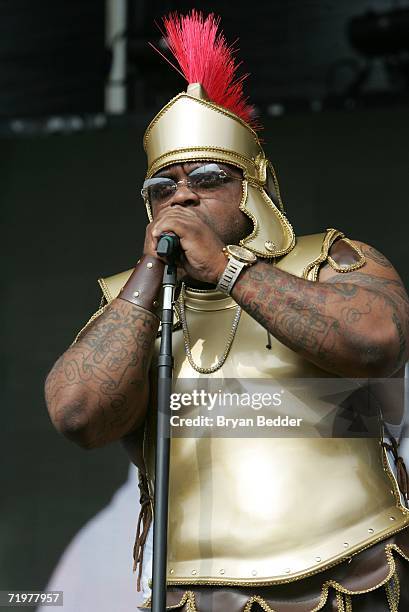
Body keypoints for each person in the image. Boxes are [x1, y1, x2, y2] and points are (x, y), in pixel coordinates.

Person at [45, 11, 409, 611]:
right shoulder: (132, 302)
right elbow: (78, 414)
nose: (182, 194)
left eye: (208, 178)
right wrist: (148, 279)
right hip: (199, 592)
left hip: (354, 575)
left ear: (253, 185)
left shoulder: (329, 260)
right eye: (162, 187)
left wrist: (227, 269)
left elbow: (377, 339)